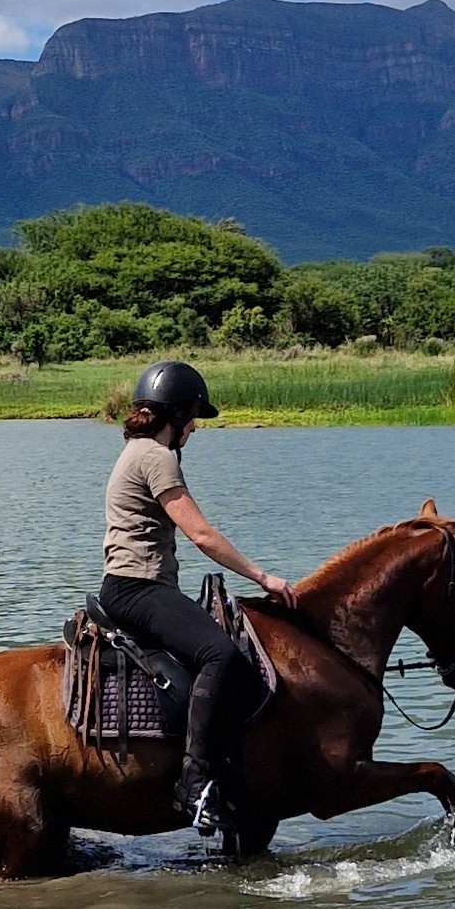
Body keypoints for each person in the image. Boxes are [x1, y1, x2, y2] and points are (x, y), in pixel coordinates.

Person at [96, 357, 294, 847]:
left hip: (137, 586)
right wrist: (261, 576)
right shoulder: (156, 457)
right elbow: (201, 534)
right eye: (193, 417)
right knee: (219, 653)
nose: (195, 428)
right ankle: (194, 780)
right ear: (177, 413)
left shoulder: (138, 450)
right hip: (137, 587)